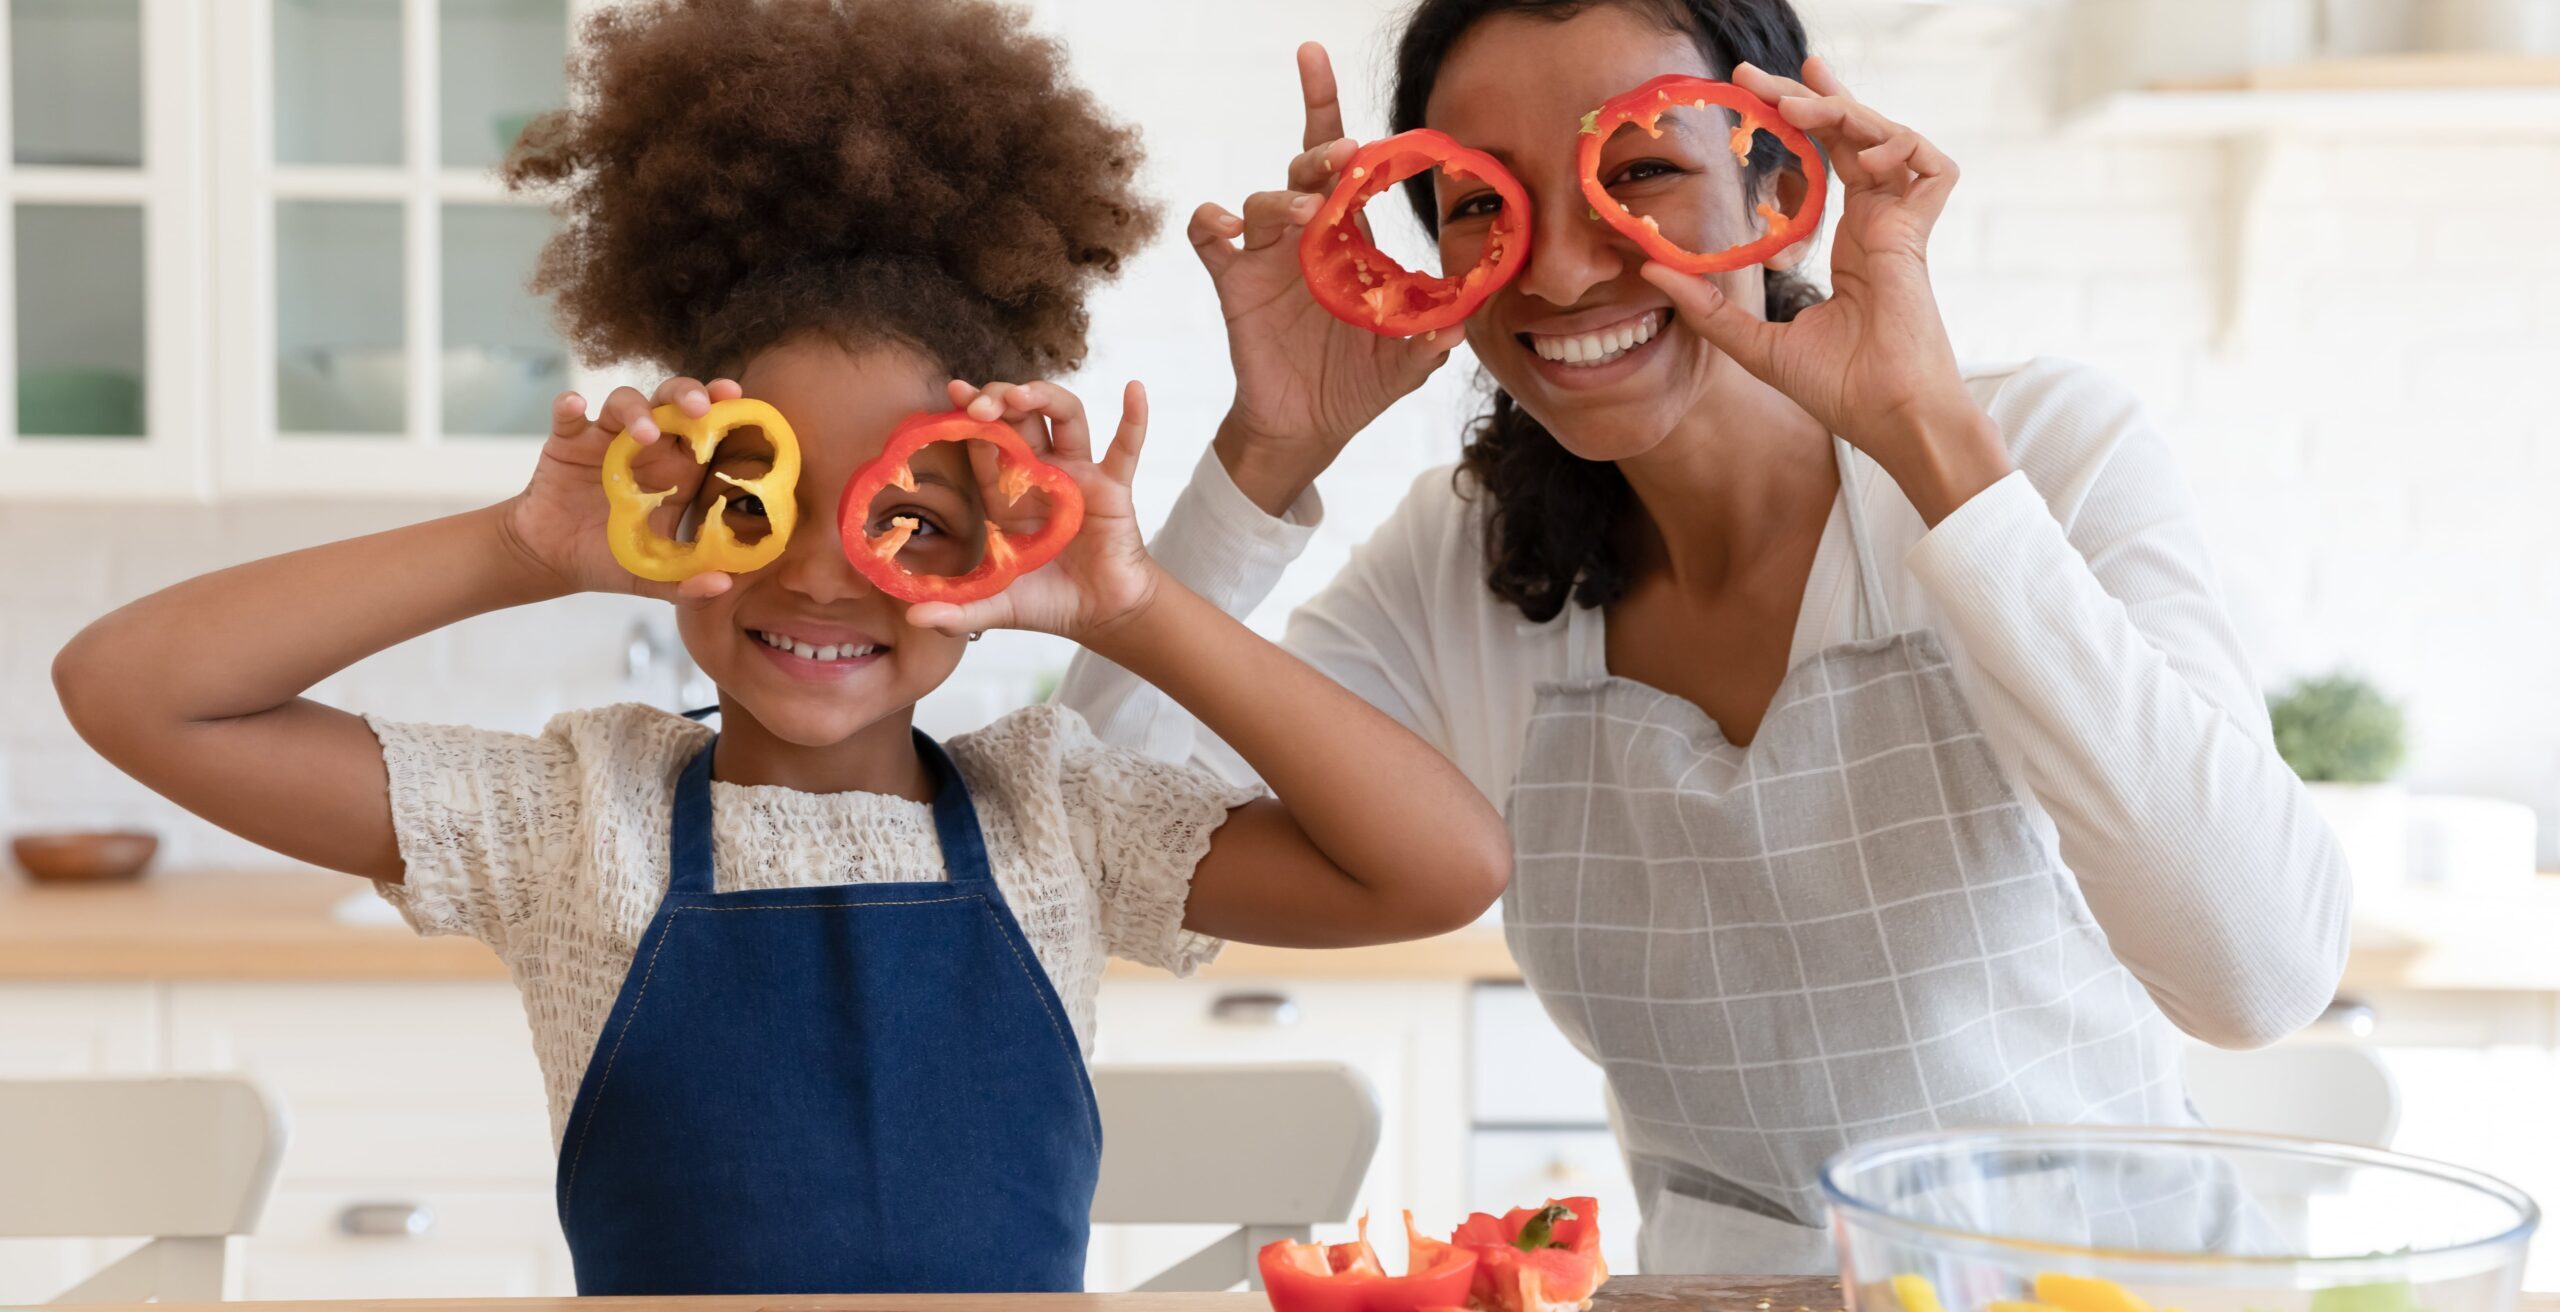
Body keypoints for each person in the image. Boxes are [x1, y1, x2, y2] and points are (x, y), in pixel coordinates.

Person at [50, 0, 1508, 1294]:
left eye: (908, 520)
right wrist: (520, 547)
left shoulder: (1062, 818)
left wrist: (1134, 605)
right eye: (757, 497)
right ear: (670, 510)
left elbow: (1444, 869)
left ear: (1004, 552)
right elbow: (129, 692)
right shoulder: (575, 823)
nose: (817, 571)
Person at [1057, 0, 2351, 1273]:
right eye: (1481, 202)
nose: (1561, 271)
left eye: (1640, 173)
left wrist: (1929, 441)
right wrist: (1267, 457)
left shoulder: (2043, 452)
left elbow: (2260, 979)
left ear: (1780, 182)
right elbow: (1089, 834)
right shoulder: (1464, 559)